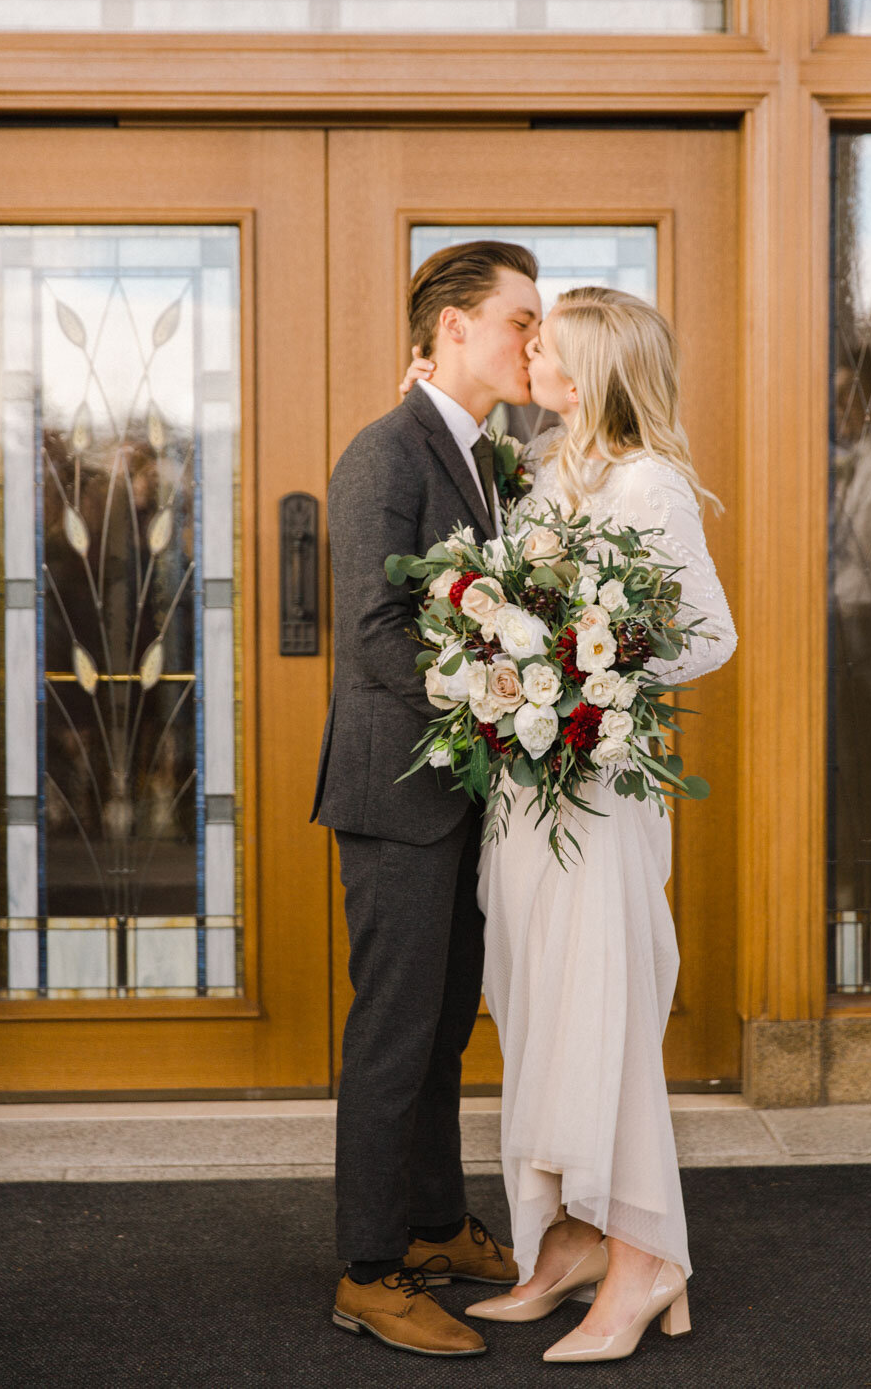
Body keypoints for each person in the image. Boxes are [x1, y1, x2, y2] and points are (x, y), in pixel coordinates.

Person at [403, 285, 737, 1363]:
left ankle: (645, 1259)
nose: (531, 352)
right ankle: (567, 1240)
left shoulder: (649, 485)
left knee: (600, 1008)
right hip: (526, 787)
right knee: (538, 1008)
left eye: (548, 344)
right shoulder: (544, 469)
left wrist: (595, 661)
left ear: (593, 369)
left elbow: (709, 636)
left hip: (598, 793)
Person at [311, 240, 542, 1358]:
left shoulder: (489, 456)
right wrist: (502, 702)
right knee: (396, 1032)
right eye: (518, 321)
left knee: (448, 1024)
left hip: (459, 793)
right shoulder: (384, 454)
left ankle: (435, 1222)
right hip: (397, 794)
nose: (529, 342)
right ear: (452, 328)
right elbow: (370, 641)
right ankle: (367, 1270)